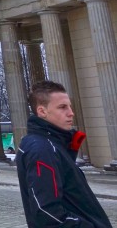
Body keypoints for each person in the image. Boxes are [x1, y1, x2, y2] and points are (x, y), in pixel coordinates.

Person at [16, 80, 112, 227]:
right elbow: (46, 212)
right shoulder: (43, 149)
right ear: (42, 111)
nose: (71, 113)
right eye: (62, 107)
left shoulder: (50, 144)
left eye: (70, 106)